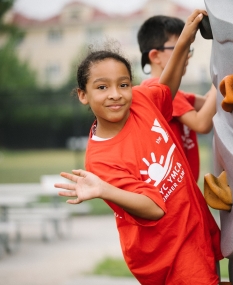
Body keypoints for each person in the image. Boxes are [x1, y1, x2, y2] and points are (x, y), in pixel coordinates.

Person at [55, 9, 223, 285]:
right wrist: (104, 190)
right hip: (168, 248)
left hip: (192, 220)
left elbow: (166, 88)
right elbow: (154, 208)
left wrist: (183, 41)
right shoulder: (101, 161)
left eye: (123, 84)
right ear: (83, 95)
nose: (115, 94)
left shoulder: (141, 101)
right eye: (101, 87)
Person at [137, 15, 217, 182]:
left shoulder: (172, 94)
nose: (187, 54)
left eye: (188, 47)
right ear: (155, 56)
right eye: (180, 47)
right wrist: (221, 75)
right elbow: (202, 123)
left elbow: (206, 102)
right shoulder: (157, 89)